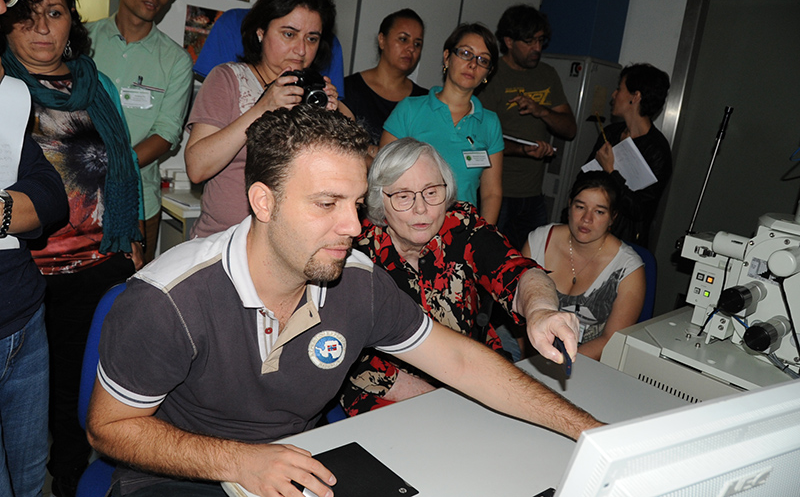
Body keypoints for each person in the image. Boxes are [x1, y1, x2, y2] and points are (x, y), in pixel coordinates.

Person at [86, 105, 600, 497]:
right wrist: (242, 461)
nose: (354, 226)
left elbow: (464, 362)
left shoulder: (357, 282)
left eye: (355, 204)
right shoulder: (169, 298)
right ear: (263, 201)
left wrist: (592, 433)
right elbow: (109, 430)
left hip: (302, 463)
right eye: (327, 203)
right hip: (184, 475)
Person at [0, 0, 144, 494]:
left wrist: (134, 240)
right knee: (43, 404)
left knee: (91, 393)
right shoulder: (5, 87)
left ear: (72, 23)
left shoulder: (94, 82)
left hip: (102, 265)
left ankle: (74, 479)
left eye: (55, 13)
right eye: (28, 15)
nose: (42, 27)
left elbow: (123, 165)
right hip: (35, 274)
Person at [340, 138, 578, 414]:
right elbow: (351, 354)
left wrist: (541, 310)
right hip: (390, 387)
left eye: (431, 192)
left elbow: (517, 270)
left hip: (471, 367)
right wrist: (448, 400)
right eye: (403, 196)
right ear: (378, 201)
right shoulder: (356, 251)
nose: (421, 209)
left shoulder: (461, 226)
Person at [185, 0, 345, 238]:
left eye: (312, 38)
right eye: (289, 34)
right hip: (223, 239)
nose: (301, 50)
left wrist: (332, 120)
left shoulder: (316, 91)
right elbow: (197, 167)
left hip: (291, 241)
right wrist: (261, 108)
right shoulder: (228, 79)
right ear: (261, 32)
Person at [0, 0, 69, 496]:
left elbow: (49, 193)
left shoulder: (9, 93)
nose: (4, 8)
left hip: (22, 311)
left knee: (28, 477)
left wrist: (3, 212)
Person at [87, 0, 192, 264]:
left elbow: (167, 132)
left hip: (139, 203)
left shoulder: (176, 61)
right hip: (76, 195)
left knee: (131, 287)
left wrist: (114, 167)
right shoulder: (82, 40)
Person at [380, 22, 504, 224]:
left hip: (463, 230)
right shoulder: (410, 110)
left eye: (483, 60)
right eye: (466, 53)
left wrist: (483, 235)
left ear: (487, 73)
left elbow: (492, 193)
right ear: (447, 57)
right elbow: (382, 177)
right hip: (409, 225)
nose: (473, 64)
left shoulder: (489, 123)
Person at [479, 4, 576, 250]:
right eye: (530, 41)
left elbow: (569, 129)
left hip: (533, 195)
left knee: (531, 262)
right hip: (496, 192)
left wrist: (542, 111)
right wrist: (523, 150)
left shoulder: (547, 74)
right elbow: (480, 140)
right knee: (487, 257)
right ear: (509, 41)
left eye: (541, 41)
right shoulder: (491, 75)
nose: (537, 48)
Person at [522, 171, 645, 361]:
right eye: (580, 207)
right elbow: (515, 309)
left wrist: (561, 363)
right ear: (569, 205)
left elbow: (611, 340)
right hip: (527, 346)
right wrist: (531, 360)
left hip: (585, 360)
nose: (587, 218)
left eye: (599, 211)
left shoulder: (629, 269)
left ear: (613, 217)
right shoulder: (539, 240)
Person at [192, 0, 345, 98]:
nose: (301, 50)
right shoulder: (232, 26)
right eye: (289, 34)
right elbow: (215, 99)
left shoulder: (330, 43)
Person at [584, 63, 671, 248]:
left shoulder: (657, 150)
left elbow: (640, 210)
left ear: (635, 96)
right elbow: (583, 181)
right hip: (590, 228)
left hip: (624, 242)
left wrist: (610, 171)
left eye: (619, 89)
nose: (614, 95)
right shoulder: (611, 133)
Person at [343, 8, 427, 148]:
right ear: (382, 40)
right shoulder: (349, 89)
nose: (411, 48)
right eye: (403, 39)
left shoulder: (424, 100)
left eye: (417, 44)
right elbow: (345, 147)